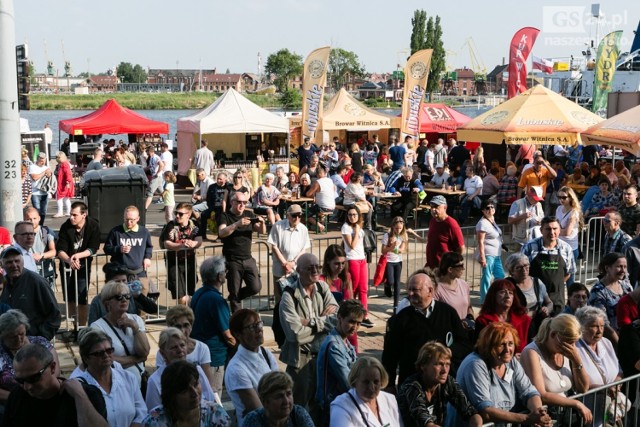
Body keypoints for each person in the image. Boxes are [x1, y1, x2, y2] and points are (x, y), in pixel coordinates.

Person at [382, 273, 472, 392]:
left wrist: (448, 351)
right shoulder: (401, 318)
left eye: (415, 290)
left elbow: (464, 344)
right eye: (409, 290)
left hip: (444, 386)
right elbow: (390, 355)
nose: (410, 294)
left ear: (430, 290)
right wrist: (390, 385)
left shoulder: (448, 313)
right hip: (413, 386)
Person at [456, 322, 552, 427]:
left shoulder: (511, 362)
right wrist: (527, 418)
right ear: (488, 346)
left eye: (510, 344)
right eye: (501, 344)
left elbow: (529, 392)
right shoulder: (475, 364)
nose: (507, 350)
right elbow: (486, 411)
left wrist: (539, 413)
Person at [278, 253, 338, 411]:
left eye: (318, 267)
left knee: (321, 407)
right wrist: (323, 323)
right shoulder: (288, 296)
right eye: (310, 268)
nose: (316, 271)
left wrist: (311, 322)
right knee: (296, 409)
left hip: (323, 357)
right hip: (301, 361)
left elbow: (337, 319)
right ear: (299, 271)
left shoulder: (322, 287)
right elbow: (295, 335)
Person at [4, 343, 107, 427]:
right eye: (20, 380)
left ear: (52, 368)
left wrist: (80, 396)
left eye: (33, 378)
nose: (27, 387)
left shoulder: (86, 395)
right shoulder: (17, 396)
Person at [520, 315, 592, 423]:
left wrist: (577, 361)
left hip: (567, 417)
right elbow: (540, 394)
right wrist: (576, 403)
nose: (571, 347)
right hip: (547, 418)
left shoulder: (569, 352)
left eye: (573, 343)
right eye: (567, 342)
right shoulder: (531, 352)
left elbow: (584, 388)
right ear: (553, 334)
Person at [71, 328, 147, 426]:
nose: (106, 355)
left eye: (109, 350)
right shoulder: (79, 387)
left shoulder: (128, 378)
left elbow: (141, 411)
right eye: (99, 353)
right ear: (86, 358)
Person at [397, 341, 483, 427]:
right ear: (423, 365)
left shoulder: (447, 382)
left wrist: (476, 423)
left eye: (447, 364)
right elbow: (425, 423)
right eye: (439, 364)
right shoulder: (412, 386)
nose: (444, 370)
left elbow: (469, 411)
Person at [225, 309, 279, 427]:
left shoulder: (266, 354)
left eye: (259, 324)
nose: (259, 329)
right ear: (238, 335)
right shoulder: (236, 369)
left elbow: (281, 390)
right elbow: (259, 411)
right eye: (252, 327)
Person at [89, 280, 150, 385]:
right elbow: (107, 359)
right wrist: (136, 359)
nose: (124, 300)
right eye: (119, 297)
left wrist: (135, 328)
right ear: (107, 303)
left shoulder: (136, 319)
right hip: (116, 382)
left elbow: (144, 352)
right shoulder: (97, 327)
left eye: (127, 296)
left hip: (140, 381)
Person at [190, 256, 236, 392]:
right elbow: (227, 335)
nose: (226, 274)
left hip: (202, 354)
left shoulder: (198, 293)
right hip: (214, 359)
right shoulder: (216, 300)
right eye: (224, 272)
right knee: (214, 397)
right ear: (219, 276)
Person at [316, 299, 365, 424]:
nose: (355, 327)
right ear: (340, 318)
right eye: (351, 322)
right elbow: (348, 381)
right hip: (331, 408)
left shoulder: (346, 342)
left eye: (358, 323)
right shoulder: (333, 346)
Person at [145, 328, 219, 411]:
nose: (180, 350)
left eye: (182, 345)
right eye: (174, 347)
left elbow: (210, 398)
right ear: (163, 353)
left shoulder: (197, 369)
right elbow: (154, 412)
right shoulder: (155, 380)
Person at [142, 360, 230, 427]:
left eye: (196, 384)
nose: (195, 393)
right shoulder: (154, 422)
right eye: (185, 390)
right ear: (171, 395)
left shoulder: (216, 414)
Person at [575, 306, 623, 427]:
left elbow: (619, 370)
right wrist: (601, 388)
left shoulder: (606, 343)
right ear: (582, 327)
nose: (599, 331)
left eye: (602, 326)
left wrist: (616, 384)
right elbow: (574, 382)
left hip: (610, 408)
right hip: (587, 409)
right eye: (594, 326)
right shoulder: (575, 348)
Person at [0, 310, 61, 403]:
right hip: (12, 402)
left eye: (22, 334)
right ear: (3, 336)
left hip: (45, 396)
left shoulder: (41, 343)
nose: (19, 339)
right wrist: (17, 399)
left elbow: (55, 371)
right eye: (13, 337)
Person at [218, 192, 266, 312]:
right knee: (234, 290)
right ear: (232, 202)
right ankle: (237, 322)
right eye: (239, 202)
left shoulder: (248, 214)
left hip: (248, 258)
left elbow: (262, 231)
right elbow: (221, 232)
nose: (242, 205)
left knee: (256, 287)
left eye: (244, 202)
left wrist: (263, 223)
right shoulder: (225, 216)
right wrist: (236, 224)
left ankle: (235, 297)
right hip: (232, 260)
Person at [0, 247, 60, 340]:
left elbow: (54, 315)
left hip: (32, 343)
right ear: (2, 264)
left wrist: (41, 339)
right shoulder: (2, 284)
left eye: (17, 261)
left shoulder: (37, 282)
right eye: (9, 262)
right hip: (7, 344)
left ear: (23, 261)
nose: (14, 265)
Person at [57, 201, 101, 326]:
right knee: (69, 298)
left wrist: (78, 256)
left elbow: (94, 248)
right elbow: (60, 250)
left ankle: (82, 326)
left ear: (84, 215)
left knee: (82, 298)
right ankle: (74, 326)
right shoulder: (66, 226)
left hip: (83, 264)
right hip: (67, 265)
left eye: (74, 215)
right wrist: (69, 260)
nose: (71, 217)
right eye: (70, 214)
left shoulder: (93, 225)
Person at [521, 216, 576, 315]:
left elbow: (569, 273)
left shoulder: (566, 248)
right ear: (541, 230)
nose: (552, 232)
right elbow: (521, 271)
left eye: (555, 229)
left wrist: (555, 284)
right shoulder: (530, 247)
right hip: (534, 298)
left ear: (559, 230)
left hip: (557, 299)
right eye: (548, 229)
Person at [329, 356, 402, 427]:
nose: (371, 387)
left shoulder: (390, 400)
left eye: (376, 382)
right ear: (355, 381)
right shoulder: (341, 407)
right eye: (366, 382)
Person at [156, 305, 215, 389]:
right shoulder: (164, 351)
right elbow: (160, 379)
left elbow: (209, 382)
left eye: (186, 325)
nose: (183, 330)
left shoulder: (202, 348)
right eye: (178, 326)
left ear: (191, 325)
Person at [104, 205, 153, 295]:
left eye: (132, 220)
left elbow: (149, 247)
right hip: (120, 275)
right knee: (121, 302)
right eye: (126, 219)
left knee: (142, 302)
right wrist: (119, 249)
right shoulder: (115, 231)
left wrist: (147, 257)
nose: (129, 222)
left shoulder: (144, 232)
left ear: (138, 218)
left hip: (140, 273)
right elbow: (106, 248)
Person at [161, 202, 203, 305]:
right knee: (182, 296)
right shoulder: (171, 225)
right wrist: (181, 246)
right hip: (174, 263)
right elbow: (167, 243)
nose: (177, 216)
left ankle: (187, 315)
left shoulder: (195, 225)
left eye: (181, 214)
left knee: (190, 293)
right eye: (176, 213)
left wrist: (193, 243)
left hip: (190, 262)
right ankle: (183, 316)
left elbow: (199, 240)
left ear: (188, 215)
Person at [475, 279, 531, 353]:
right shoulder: (483, 321)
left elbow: (531, 347)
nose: (507, 296)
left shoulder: (525, 320)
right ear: (493, 296)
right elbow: (481, 350)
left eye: (511, 293)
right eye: (502, 292)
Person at [505, 253, 553, 339]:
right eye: (519, 268)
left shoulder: (537, 283)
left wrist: (547, 309)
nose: (524, 270)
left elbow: (549, 302)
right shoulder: (507, 286)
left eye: (526, 266)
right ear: (511, 271)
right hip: (517, 329)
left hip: (537, 327)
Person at [268, 204, 311, 298]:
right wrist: (285, 264)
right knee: (280, 298)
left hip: (296, 269)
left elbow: (304, 249)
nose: (297, 218)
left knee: (297, 297)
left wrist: (293, 263)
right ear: (288, 215)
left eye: (299, 216)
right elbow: (274, 246)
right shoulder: (278, 226)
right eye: (294, 215)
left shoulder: (303, 229)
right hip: (280, 269)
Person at [243, 371, 315, 427]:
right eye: (279, 396)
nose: (286, 401)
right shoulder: (254, 419)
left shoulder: (298, 414)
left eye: (289, 394)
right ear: (265, 402)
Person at [341, 205, 374, 327]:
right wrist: (355, 232)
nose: (352, 217)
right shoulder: (346, 228)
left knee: (363, 288)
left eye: (354, 214)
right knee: (353, 287)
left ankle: (364, 315)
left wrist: (358, 229)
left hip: (361, 258)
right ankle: (351, 313)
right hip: (352, 259)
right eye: (350, 214)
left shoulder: (359, 227)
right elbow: (352, 246)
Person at [588, 252, 632, 331]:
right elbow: (603, 324)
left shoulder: (626, 286)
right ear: (607, 268)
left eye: (625, 267)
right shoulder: (598, 291)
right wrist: (618, 342)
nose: (623, 270)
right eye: (619, 266)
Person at [433, 252, 474, 326]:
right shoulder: (436, 289)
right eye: (460, 266)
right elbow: (435, 315)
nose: (463, 269)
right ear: (450, 269)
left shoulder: (464, 284)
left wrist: (470, 319)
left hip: (465, 331)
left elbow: (469, 307)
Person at [476, 199, 505, 302]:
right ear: (483, 210)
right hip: (488, 254)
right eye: (487, 208)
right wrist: (482, 257)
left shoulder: (492, 219)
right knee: (487, 277)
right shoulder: (482, 223)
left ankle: (494, 295)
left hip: (496, 254)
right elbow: (480, 241)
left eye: (492, 207)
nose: (490, 209)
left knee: (500, 276)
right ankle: (484, 300)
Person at [424, 196, 465, 269]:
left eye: (436, 207)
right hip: (431, 266)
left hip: (443, 269)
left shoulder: (451, 224)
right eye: (431, 207)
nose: (433, 209)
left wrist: (451, 265)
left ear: (445, 207)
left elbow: (461, 248)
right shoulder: (433, 220)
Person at [23, 207, 57, 290]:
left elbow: (53, 251)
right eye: (29, 219)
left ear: (39, 218)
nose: (32, 221)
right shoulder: (21, 233)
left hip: (46, 272)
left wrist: (41, 255)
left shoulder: (45, 231)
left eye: (34, 218)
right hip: (28, 273)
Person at [381, 216, 408, 308]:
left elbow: (403, 248)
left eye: (400, 228)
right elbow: (383, 250)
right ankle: (387, 285)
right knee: (391, 281)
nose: (398, 230)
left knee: (397, 283)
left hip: (398, 261)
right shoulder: (387, 235)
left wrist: (400, 249)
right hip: (389, 261)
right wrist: (392, 246)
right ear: (393, 227)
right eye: (396, 228)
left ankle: (396, 305)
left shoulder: (403, 235)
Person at [305, 165, 336, 232]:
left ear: (317, 174)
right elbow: (333, 189)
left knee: (305, 213)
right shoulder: (330, 180)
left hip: (322, 207)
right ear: (325, 173)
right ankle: (321, 223)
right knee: (316, 208)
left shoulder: (318, 182)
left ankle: (319, 225)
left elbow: (308, 194)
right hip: (332, 206)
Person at [202, 172, 232, 237]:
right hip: (214, 208)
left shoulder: (229, 187)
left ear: (225, 180)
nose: (218, 180)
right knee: (203, 214)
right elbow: (208, 200)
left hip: (225, 209)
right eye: (218, 179)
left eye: (220, 179)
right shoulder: (212, 187)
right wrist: (212, 211)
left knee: (220, 216)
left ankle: (220, 236)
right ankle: (203, 235)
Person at [53, 151, 75, 218]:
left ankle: (60, 212)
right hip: (65, 183)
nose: (57, 159)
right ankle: (68, 212)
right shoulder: (64, 164)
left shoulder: (64, 164)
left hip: (63, 183)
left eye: (58, 157)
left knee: (59, 197)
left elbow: (68, 173)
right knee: (66, 198)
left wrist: (67, 182)